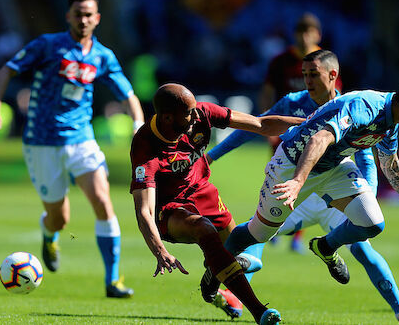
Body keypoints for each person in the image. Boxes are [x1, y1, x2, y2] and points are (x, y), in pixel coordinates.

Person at [201, 70, 399, 322]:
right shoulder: (367, 106)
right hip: (292, 163)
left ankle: (325, 246)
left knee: (372, 222)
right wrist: (297, 181)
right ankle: (214, 270)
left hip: (334, 167)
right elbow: (319, 139)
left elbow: (390, 163)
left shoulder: (391, 118)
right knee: (257, 233)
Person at [0, 0, 144, 298]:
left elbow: (129, 95)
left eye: (88, 14)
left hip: (81, 139)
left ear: (97, 19)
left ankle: (113, 281)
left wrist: (138, 126)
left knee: (103, 201)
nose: (83, 19)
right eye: (78, 13)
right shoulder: (48, 45)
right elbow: (7, 70)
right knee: (60, 217)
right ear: (69, 16)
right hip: (42, 142)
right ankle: (49, 232)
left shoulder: (103, 56)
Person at [130, 83, 305, 324]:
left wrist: (307, 123)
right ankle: (260, 312)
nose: (195, 117)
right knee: (205, 230)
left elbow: (262, 124)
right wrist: (160, 251)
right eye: (188, 113)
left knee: (243, 258)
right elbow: (144, 210)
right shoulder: (145, 145)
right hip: (170, 209)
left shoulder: (202, 113)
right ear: (168, 117)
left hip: (203, 193)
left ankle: (212, 283)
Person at [257, 13, 336, 252]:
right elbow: (268, 91)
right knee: (275, 178)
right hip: (284, 131)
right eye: (300, 31)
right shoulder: (280, 61)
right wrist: (266, 121)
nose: (304, 36)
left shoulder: (325, 61)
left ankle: (296, 236)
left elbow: (336, 97)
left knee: (306, 180)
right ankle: (272, 226)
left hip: (316, 135)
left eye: (308, 31)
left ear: (317, 34)